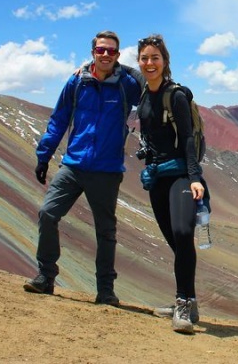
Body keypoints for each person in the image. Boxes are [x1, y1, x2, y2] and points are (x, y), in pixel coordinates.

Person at [24, 30, 142, 306]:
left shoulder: (126, 85)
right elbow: (59, 119)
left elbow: (150, 85)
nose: (105, 55)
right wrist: (44, 155)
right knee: (48, 213)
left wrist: (122, 68)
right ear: (92, 52)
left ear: (118, 55)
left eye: (111, 51)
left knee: (105, 231)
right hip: (73, 165)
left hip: (107, 169)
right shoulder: (77, 82)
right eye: (100, 50)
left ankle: (105, 291)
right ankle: (45, 277)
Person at [136, 34, 207, 334]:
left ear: (165, 61)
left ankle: (182, 304)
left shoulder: (175, 95)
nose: (149, 63)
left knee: (182, 233)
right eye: (144, 58)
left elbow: (188, 138)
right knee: (174, 242)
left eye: (155, 58)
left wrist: (194, 178)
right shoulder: (143, 95)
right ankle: (189, 301)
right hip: (157, 179)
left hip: (179, 176)